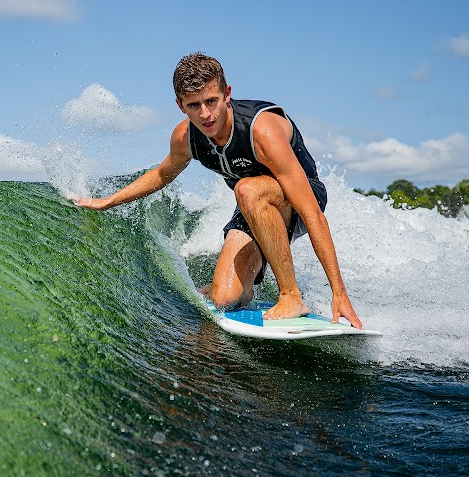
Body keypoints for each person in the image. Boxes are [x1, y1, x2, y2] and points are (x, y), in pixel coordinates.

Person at [72, 52, 362, 328]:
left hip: (301, 197)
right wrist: (109, 201)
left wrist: (339, 292)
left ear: (227, 94)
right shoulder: (186, 137)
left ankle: (291, 296)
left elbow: (311, 213)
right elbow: (162, 174)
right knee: (224, 297)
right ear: (180, 106)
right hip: (251, 204)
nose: (206, 114)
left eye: (212, 101)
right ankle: (244, 288)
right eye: (194, 106)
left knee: (247, 190)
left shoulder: (261, 130)